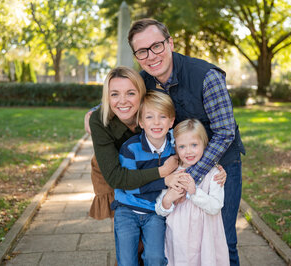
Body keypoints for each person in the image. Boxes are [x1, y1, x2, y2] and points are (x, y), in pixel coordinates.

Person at [85, 18, 245, 265]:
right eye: (142, 51)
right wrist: (92, 114)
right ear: (137, 56)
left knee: (221, 240)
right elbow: (120, 97)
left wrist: (188, 175)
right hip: (176, 169)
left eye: (157, 46)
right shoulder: (146, 79)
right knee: (177, 240)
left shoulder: (206, 76)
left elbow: (225, 132)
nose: (151, 56)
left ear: (170, 43)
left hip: (218, 167)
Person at [112, 90, 178, 265]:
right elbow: (129, 185)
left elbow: (194, 155)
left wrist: (216, 167)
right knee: (127, 261)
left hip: (155, 211)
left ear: (171, 121)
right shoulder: (131, 149)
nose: (156, 122)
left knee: (155, 258)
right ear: (141, 122)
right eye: (149, 117)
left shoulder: (175, 147)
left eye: (162, 116)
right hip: (127, 208)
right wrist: (164, 181)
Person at [156, 119, 229, 266]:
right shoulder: (172, 173)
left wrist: (194, 193)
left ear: (204, 144)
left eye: (194, 145)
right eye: (182, 146)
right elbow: (160, 210)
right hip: (179, 236)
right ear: (175, 148)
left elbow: (215, 206)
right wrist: (167, 199)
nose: (188, 151)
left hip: (205, 236)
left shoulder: (214, 174)